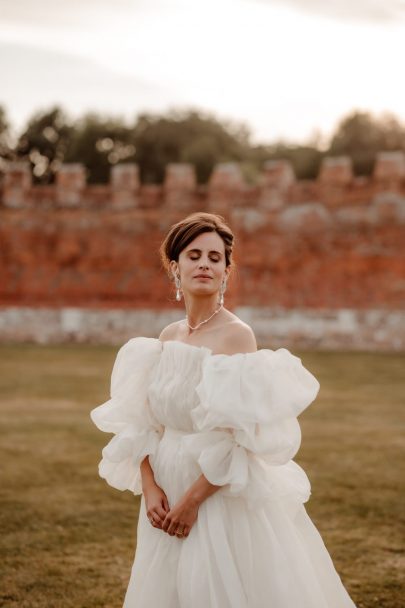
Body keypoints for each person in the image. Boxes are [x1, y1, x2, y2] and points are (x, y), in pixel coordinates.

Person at [90, 212, 358, 607]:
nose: (204, 264)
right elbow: (145, 423)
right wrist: (150, 488)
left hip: (213, 495)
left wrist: (192, 503)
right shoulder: (166, 336)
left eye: (215, 258)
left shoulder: (237, 336)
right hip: (165, 491)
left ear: (226, 271)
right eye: (194, 255)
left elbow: (240, 437)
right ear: (175, 267)